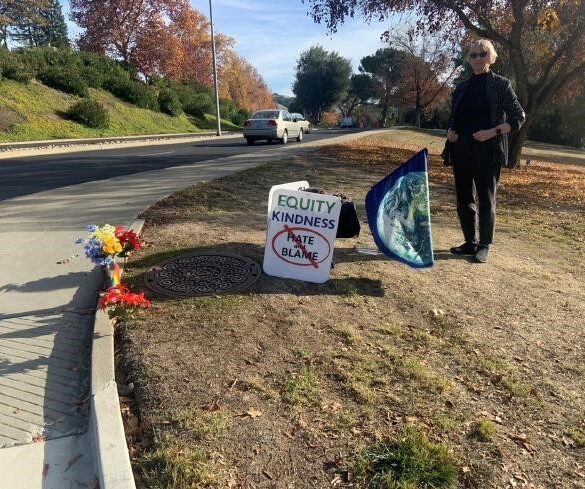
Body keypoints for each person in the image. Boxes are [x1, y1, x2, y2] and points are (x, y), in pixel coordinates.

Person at [446, 39, 525, 263]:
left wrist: (492, 132)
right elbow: (454, 117)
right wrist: (450, 132)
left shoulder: (501, 84)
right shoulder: (461, 87)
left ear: (491, 57)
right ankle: (470, 241)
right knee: (463, 198)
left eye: (483, 54)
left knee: (486, 199)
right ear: (469, 59)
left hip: (488, 149)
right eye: (473, 55)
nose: (478, 58)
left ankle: (484, 245)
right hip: (461, 148)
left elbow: (518, 117)